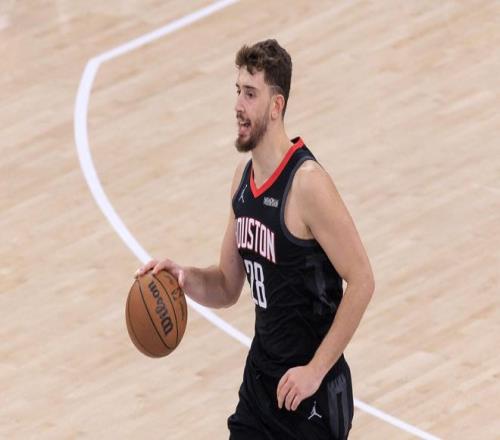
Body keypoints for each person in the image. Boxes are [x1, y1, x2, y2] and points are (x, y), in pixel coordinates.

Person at [135, 39, 374, 440]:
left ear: (276, 106)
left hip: (310, 397)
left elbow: (363, 280)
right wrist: (183, 278)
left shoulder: (308, 184)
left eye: (250, 94)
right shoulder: (242, 181)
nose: (238, 106)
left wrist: (314, 372)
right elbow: (227, 285)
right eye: (237, 91)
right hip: (261, 386)